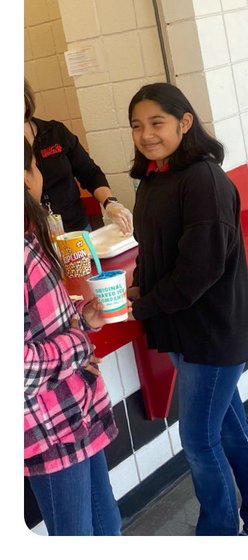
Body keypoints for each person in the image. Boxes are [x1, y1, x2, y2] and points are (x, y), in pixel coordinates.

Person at [126, 83, 248, 536]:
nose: (146, 134)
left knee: (200, 440)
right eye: (137, 126)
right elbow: (153, 248)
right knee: (232, 432)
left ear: (184, 122)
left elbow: (201, 268)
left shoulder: (203, 178)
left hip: (212, 332)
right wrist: (139, 285)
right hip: (183, 328)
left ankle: (219, 533)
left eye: (156, 123)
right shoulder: (153, 178)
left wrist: (145, 308)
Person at [24, 141, 121, 536]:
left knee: (106, 524)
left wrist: (82, 319)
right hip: (46, 428)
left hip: (72, 411)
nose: (37, 176)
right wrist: (78, 346)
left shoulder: (29, 239)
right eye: (31, 167)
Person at [25, 80, 132, 235]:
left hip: (77, 229)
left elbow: (90, 173)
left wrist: (110, 203)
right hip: (34, 239)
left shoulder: (55, 132)